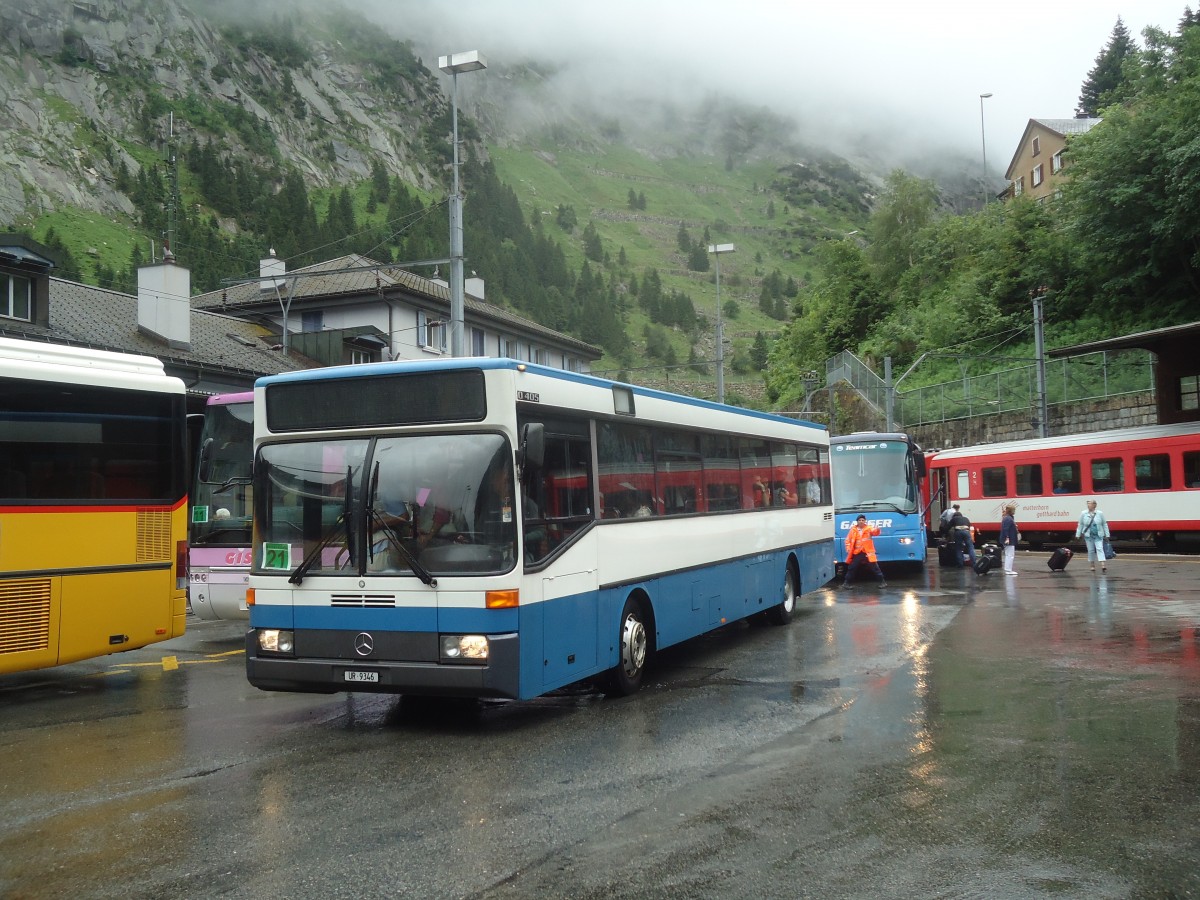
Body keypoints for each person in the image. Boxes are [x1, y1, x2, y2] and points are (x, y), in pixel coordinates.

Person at [840, 514, 887, 589]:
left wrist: (877, 529)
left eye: (863, 520)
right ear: (857, 522)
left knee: (875, 568)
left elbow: (875, 533)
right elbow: (847, 540)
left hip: (867, 552)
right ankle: (846, 583)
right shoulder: (853, 530)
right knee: (852, 567)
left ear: (865, 521)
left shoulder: (869, 528)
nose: (861, 521)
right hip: (857, 552)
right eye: (860, 520)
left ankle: (882, 582)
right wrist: (848, 549)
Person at [1074, 499, 1111, 573]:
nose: (1088, 505)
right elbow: (1080, 524)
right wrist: (1078, 534)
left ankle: (1103, 565)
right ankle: (1092, 564)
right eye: (1088, 504)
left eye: (1090, 504)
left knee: (1099, 548)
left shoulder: (1100, 513)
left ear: (1094, 505)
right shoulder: (1083, 513)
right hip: (1088, 535)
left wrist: (1107, 534)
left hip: (1098, 534)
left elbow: (1104, 524)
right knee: (1090, 550)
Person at [999, 502, 1019, 576]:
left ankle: (1008, 569)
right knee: (1010, 555)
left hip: (1007, 538)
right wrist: (1007, 538)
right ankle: (1008, 570)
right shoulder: (1008, 518)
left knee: (1008, 554)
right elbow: (1006, 529)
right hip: (1009, 539)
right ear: (1011, 511)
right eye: (1014, 510)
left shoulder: (1006, 518)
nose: (1014, 512)